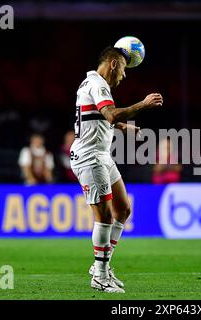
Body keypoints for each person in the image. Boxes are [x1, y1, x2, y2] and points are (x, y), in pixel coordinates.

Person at [70, 46, 163, 293]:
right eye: (123, 68)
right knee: (104, 216)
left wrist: (122, 127)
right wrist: (142, 104)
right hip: (90, 157)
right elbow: (109, 115)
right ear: (113, 63)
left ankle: (103, 265)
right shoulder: (99, 84)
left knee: (123, 209)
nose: (124, 74)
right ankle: (100, 275)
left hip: (101, 156)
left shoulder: (90, 83)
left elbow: (96, 118)